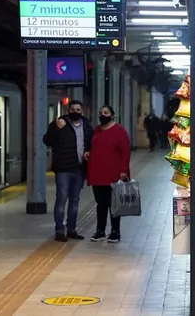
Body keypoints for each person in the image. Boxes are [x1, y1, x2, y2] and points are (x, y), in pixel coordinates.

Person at [42, 100, 93, 242]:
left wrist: (89, 153)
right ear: (67, 110)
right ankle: (59, 230)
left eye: (78, 109)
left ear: (82, 111)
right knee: (61, 199)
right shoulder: (60, 123)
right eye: (72, 109)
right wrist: (56, 128)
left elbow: (91, 144)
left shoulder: (87, 126)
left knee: (75, 200)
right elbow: (47, 140)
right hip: (63, 169)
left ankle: (71, 229)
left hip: (79, 168)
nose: (75, 111)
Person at [87, 105, 131, 243]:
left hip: (114, 174)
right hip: (97, 173)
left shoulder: (119, 131)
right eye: (101, 113)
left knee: (114, 204)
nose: (102, 115)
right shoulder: (96, 131)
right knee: (101, 204)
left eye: (105, 113)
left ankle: (115, 231)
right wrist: (88, 153)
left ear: (112, 115)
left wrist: (124, 170)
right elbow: (94, 147)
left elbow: (126, 152)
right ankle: (100, 231)